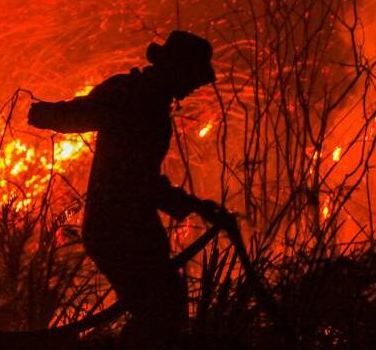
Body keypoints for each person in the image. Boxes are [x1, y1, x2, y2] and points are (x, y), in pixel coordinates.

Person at [28, 30, 227, 349]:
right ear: (176, 70)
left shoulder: (147, 100)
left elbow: (140, 175)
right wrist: (47, 114)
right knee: (162, 311)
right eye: (192, 77)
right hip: (118, 227)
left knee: (164, 309)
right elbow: (88, 121)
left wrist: (195, 205)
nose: (194, 87)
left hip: (130, 225)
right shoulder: (133, 96)